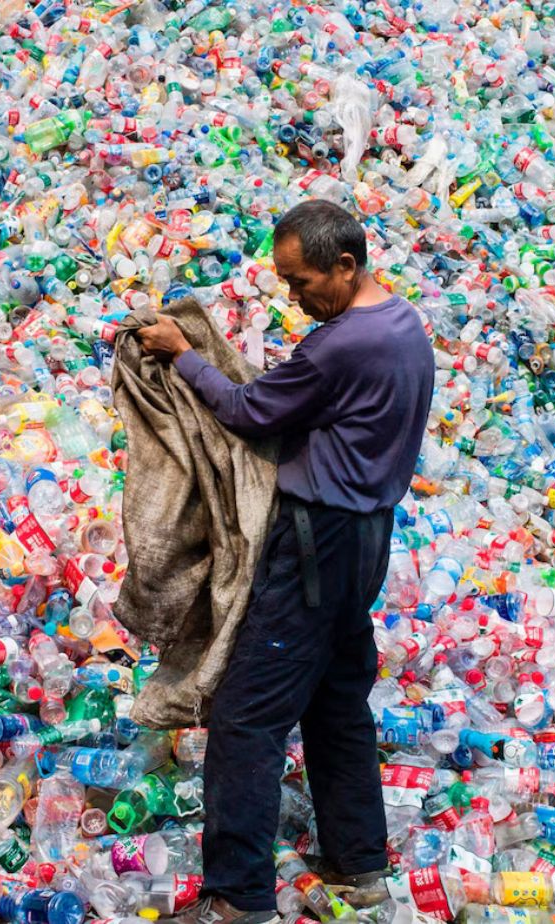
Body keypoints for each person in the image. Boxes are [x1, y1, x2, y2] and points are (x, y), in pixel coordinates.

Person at [135, 199, 436, 924]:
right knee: (337, 706)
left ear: (346, 265)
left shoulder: (339, 346)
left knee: (248, 718)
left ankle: (239, 897)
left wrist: (185, 355)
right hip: (367, 538)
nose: (294, 298)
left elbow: (247, 411)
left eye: (303, 283)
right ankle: (361, 864)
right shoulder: (404, 326)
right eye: (286, 282)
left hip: (314, 544)